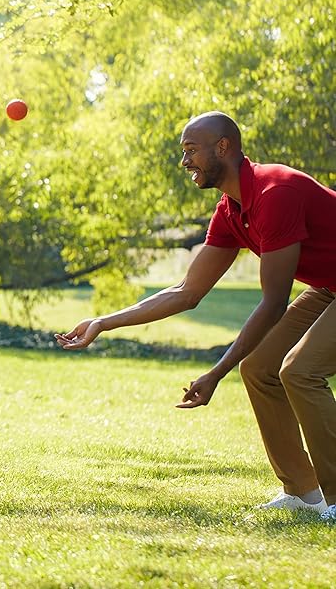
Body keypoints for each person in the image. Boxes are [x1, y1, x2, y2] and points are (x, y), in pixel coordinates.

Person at [55, 111, 336, 522]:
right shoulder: (231, 211)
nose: (184, 162)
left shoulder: (276, 192)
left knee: (299, 370)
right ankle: (303, 492)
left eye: (191, 151)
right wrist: (103, 321)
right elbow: (187, 292)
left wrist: (216, 372)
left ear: (223, 147)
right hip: (329, 286)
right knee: (259, 368)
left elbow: (273, 303)